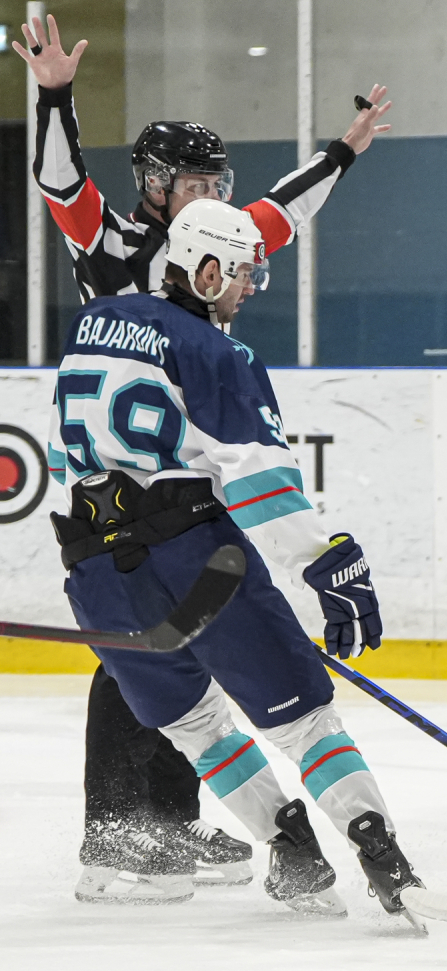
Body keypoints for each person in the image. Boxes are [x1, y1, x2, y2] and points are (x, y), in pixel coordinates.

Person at [14, 13, 392, 902]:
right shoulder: (113, 244)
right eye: (193, 181)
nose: (211, 193)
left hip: (181, 471)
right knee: (133, 660)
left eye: (217, 180)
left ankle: (168, 824)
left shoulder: (219, 240)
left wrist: (343, 150)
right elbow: (60, 182)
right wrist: (55, 95)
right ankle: (120, 833)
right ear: (153, 185)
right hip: (128, 480)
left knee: (181, 661)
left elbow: (283, 210)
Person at [47, 200, 420, 924]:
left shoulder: (91, 324)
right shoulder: (219, 353)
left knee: (195, 726)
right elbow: (260, 481)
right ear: (208, 268)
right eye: (245, 272)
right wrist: (326, 564)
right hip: (197, 561)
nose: (251, 287)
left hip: (96, 572)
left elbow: (69, 456)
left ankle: (293, 852)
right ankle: (382, 855)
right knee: (305, 722)